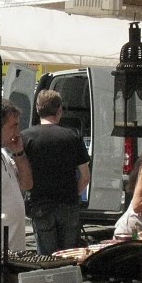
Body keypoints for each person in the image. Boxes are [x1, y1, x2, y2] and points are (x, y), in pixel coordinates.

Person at [20, 89, 90, 255]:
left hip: (40, 203)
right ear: (59, 110)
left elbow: (21, 174)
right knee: (69, 256)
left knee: (46, 257)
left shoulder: (26, 137)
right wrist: (74, 193)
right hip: (68, 203)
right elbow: (85, 177)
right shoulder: (72, 136)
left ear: (37, 110)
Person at [0, 100, 33, 252]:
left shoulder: (3, 154)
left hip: (15, 249)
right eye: (13, 126)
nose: (18, 133)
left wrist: (19, 153)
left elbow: (27, 184)